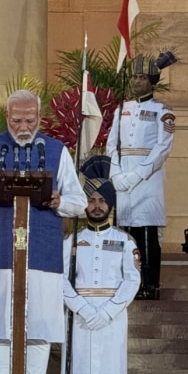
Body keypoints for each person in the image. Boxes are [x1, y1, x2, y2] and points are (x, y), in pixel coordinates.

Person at [0, 90, 86, 374]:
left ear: (40, 117)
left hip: (42, 253)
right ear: (7, 117)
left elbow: (80, 203)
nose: (24, 127)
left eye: (29, 120)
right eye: (17, 121)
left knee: (39, 324)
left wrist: (59, 201)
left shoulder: (56, 150)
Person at [106, 52, 178, 300]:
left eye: (141, 77)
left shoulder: (163, 111)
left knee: (146, 233)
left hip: (147, 182)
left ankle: (149, 285)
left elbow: (162, 148)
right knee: (125, 231)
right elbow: (111, 145)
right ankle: (128, 282)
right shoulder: (121, 109)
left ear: (152, 81)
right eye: (134, 77)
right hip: (122, 178)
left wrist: (136, 175)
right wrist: (115, 174)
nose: (136, 82)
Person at [62, 156, 141, 374]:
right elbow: (60, 278)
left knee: (111, 364)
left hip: (113, 317)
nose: (97, 206)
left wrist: (108, 311)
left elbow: (132, 280)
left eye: (102, 200)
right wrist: (82, 308)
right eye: (91, 200)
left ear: (110, 204)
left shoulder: (125, 241)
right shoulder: (72, 241)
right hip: (79, 316)